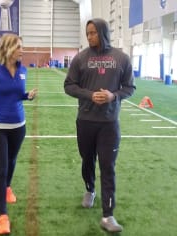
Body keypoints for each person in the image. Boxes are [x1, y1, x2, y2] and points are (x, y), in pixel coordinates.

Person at [63, 18, 135, 232]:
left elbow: (130, 87)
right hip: (85, 121)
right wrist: (89, 95)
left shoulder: (121, 58)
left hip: (109, 124)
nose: (90, 36)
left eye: (93, 32)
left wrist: (113, 96)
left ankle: (108, 215)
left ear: (103, 33)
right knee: (87, 160)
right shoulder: (80, 58)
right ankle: (89, 189)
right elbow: (69, 85)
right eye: (88, 33)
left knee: (108, 166)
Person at [0, 33, 37, 235]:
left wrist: (26, 96)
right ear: (8, 48)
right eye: (20, 46)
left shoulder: (23, 70)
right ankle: (3, 216)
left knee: (12, 161)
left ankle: (7, 189)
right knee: (1, 169)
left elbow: (17, 94)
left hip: (19, 127)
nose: (23, 50)